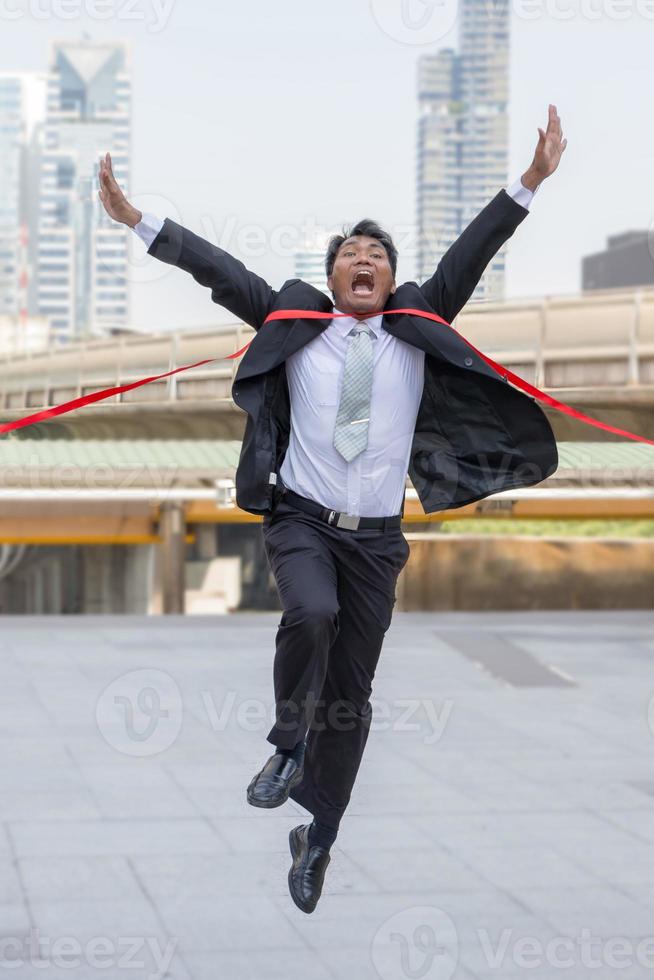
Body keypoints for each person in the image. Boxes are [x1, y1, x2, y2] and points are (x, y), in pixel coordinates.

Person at [98, 104, 567, 913]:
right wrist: (139, 221)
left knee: (352, 697)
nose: (364, 259)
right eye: (350, 252)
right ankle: (284, 750)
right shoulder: (295, 318)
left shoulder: (419, 320)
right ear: (330, 274)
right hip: (304, 521)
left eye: (377, 254)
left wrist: (529, 181)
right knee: (308, 614)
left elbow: (473, 252)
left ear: (390, 280)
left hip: (378, 542)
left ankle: (316, 840)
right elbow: (220, 270)